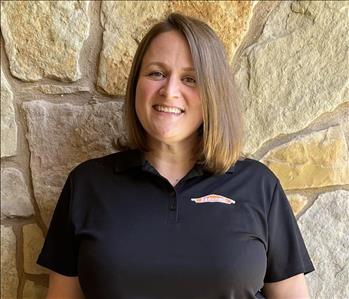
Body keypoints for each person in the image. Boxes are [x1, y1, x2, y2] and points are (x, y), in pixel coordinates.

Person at [37, 12, 315, 299]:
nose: (169, 91)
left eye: (190, 79)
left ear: (213, 93)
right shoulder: (87, 185)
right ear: (136, 84)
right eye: (156, 73)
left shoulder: (258, 185)